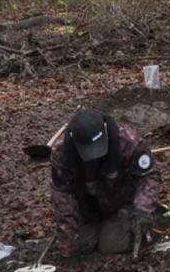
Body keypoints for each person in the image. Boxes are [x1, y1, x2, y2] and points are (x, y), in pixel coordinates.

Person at [51, 108, 162, 258]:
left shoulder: (129, 142)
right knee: (78, 245)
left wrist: (142, 209)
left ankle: (148, 224)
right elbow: (63, 195)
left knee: (110, 245)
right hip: (90, 210)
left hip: (123, 206)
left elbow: (149, 176)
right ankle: (101, 230)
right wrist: (67, 236)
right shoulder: (62, 153)